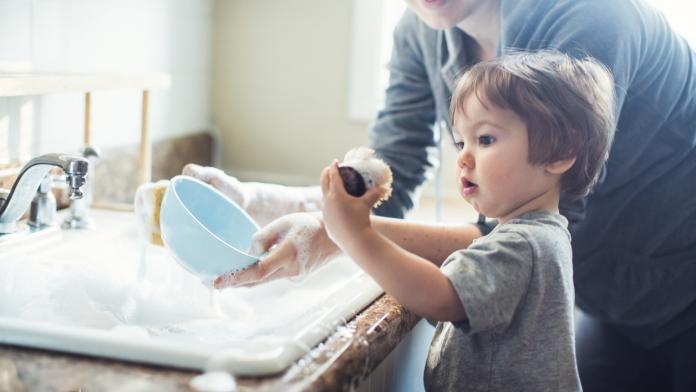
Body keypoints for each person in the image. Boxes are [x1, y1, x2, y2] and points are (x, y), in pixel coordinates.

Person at [185, 0, 696, 390]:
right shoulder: (421, 30)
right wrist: (258, 199)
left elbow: (530, 228)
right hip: (613, 303)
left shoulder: (592, 17)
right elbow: (388, 176)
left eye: (486, 139)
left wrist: (344, 235)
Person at [320, 50, 613, 391]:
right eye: (461, 142)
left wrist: (356, 235)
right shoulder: (534, 235)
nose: (462, 157)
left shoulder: (523, 245)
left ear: (560, 153)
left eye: (485, 139)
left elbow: (441, 297)